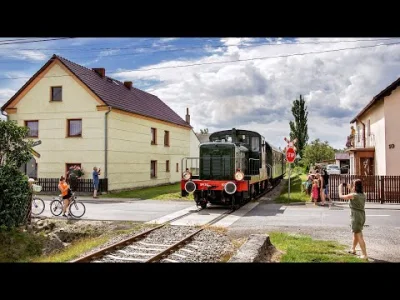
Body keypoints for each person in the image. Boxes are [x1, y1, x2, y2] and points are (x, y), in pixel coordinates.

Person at [338, 179, 368, 260]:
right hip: (361, 216)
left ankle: (364, 255)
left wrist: (340, 188)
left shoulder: (353, 195)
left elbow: (341, 196)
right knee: (356, 233)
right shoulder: (363, 195)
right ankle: (353, 249)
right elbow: (353, 193)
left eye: (353, 185)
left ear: (355, 187)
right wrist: (350, 187)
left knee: (359, 235)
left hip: (356, 217)